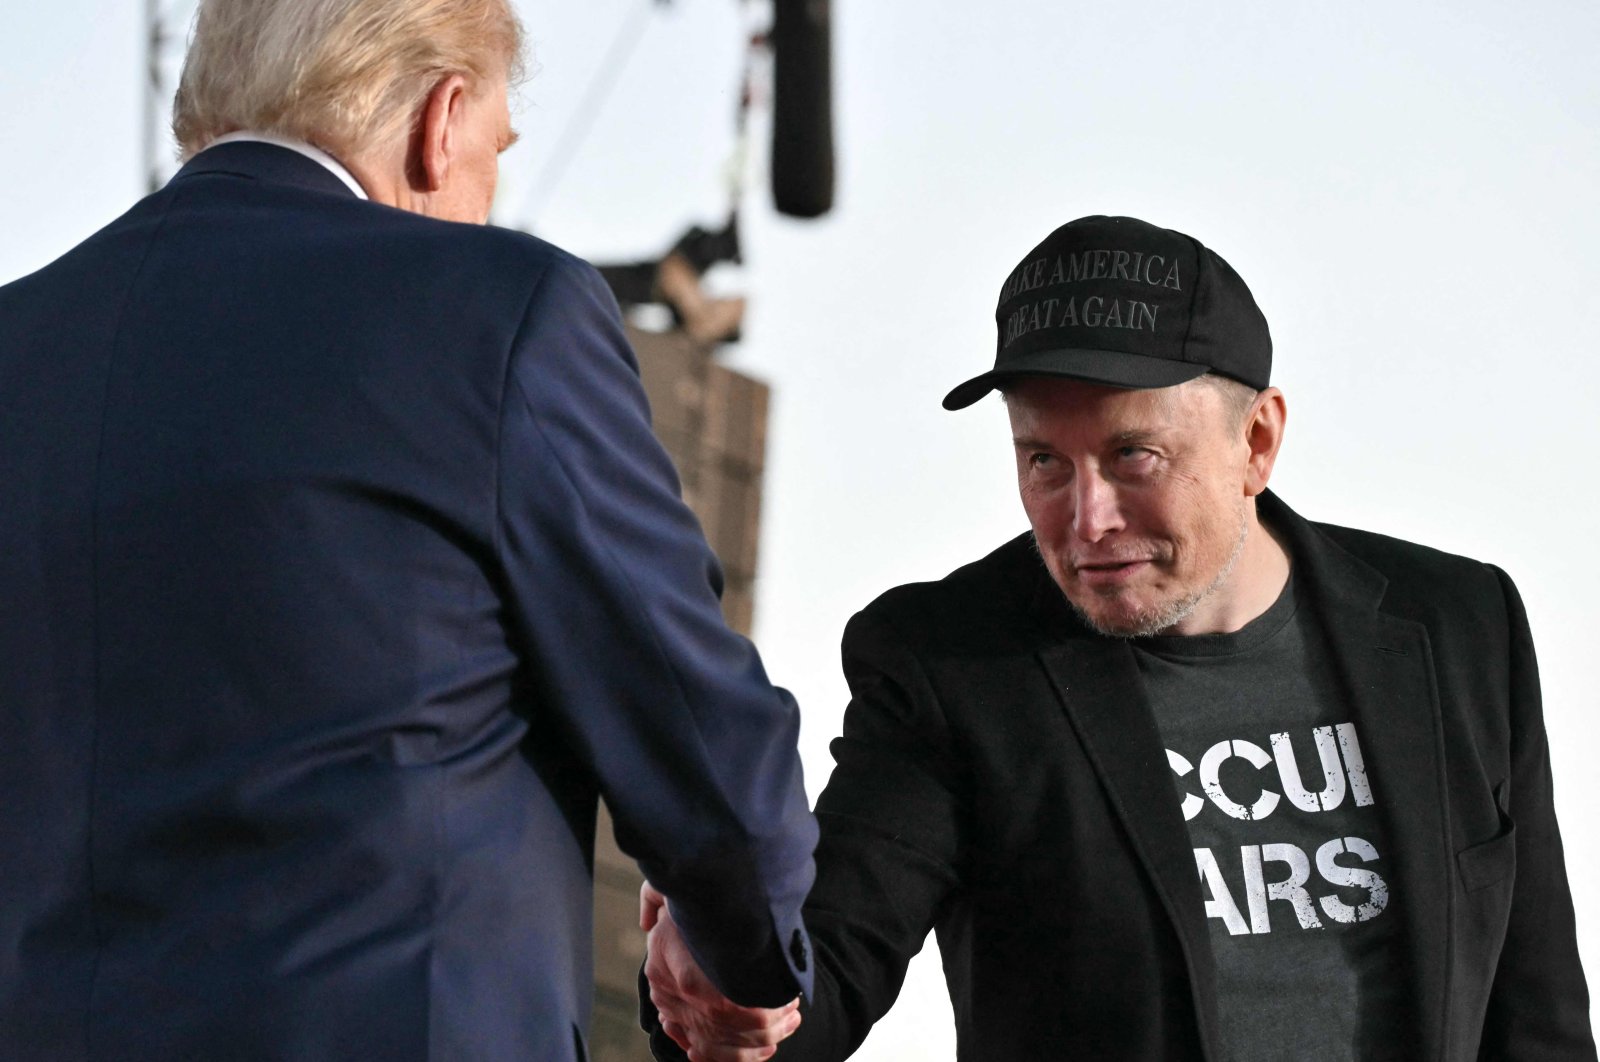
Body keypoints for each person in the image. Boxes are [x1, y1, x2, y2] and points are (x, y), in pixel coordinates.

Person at [0, 1, 817, 1059]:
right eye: (494, 156)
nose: (489, 200)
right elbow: (701, 739)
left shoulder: (16, 352)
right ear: (441, 122)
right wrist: (745, 949)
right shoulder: (502, 313)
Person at [642, 215, 1596, 1060]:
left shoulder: (1458, 626)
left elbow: (1538, 1010)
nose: (1086, 517)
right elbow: (827, 965)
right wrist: (733, 991)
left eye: (1132, 454)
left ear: (1257, 441)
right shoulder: (952, 663)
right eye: (1043, 460)